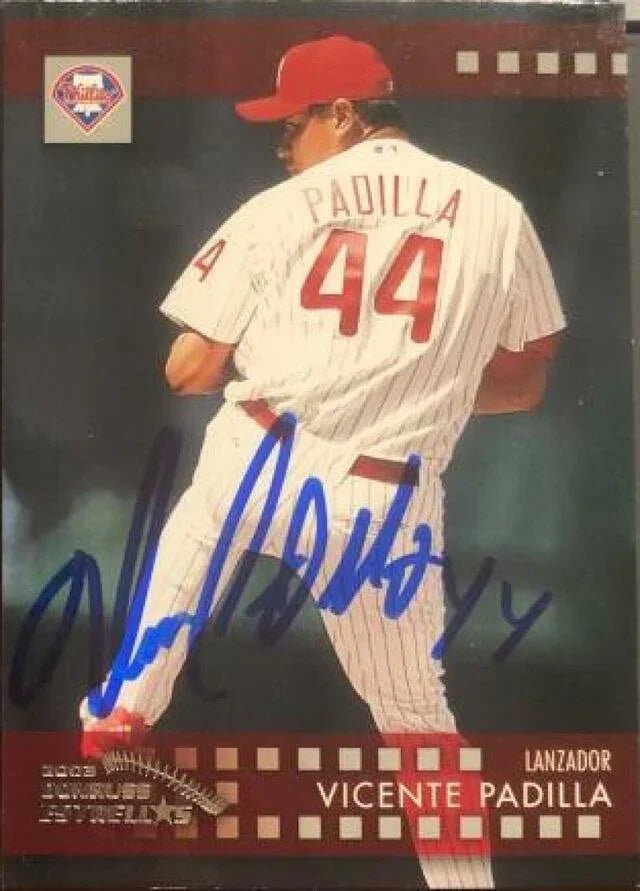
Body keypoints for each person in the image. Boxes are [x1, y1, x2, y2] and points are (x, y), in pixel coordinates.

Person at [80, 34, 565, 889]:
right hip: (384, 503)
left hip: (261, 458)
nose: (284, 143)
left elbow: (187, 370)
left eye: (293, 122)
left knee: (202, 520)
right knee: (420, 726)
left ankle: (127, 703)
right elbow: (524, 381)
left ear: (343, 115)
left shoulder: (280, 207)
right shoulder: (499, 213)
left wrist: (298, 363)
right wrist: (419, 380)